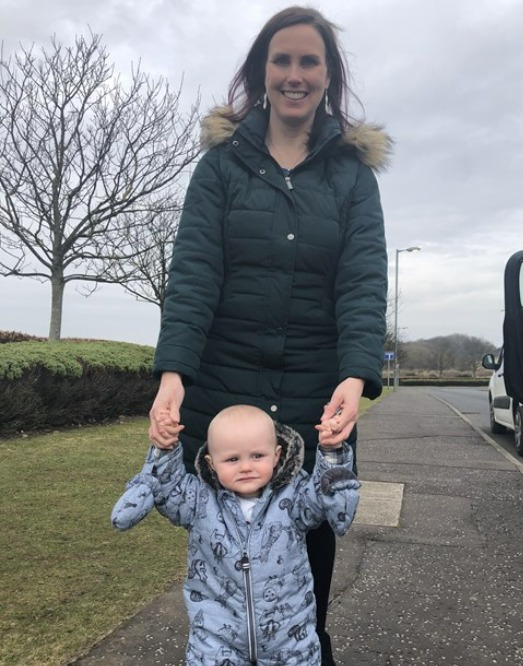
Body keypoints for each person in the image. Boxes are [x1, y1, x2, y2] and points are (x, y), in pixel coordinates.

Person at [147, 7, 389, 664]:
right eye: (281, 60)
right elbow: (193, 276)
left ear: (328, 75)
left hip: (317, 407)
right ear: (261, 71)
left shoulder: (353, 179)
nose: (293, 74)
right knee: (227, 588)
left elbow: (363, 284)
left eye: (309, 61)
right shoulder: (220, 170)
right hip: (224, 405)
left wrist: (353, 375)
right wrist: (174, 374)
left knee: (305, 592)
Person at [112, 404, 361, 665]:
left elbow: (325, 499)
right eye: (232, 459)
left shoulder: (295, 495)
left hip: (289, 641)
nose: (245, 467)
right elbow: (167, 488)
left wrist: (332, 452)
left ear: (276, 456)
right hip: (215, 641)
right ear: (211, 462)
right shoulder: (198, 500)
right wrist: (164, 448)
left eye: (257, 456)